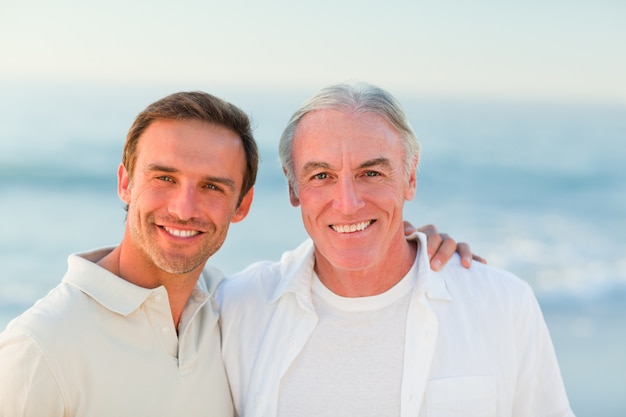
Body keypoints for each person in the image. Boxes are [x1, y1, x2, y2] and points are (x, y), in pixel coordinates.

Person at [0, 91, 473, 417]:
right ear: (126, 182)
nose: (184, 208)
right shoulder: (41, 347)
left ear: (241, 204)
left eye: (212, 186)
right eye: (164, 178)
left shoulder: (227, 310)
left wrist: (398, 242)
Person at [215, 82, 575, 417]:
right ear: (294, 189)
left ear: (410, 177)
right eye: (321, 176)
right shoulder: (237, 308)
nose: (348, 203)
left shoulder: (503, 304)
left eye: (371, 173)